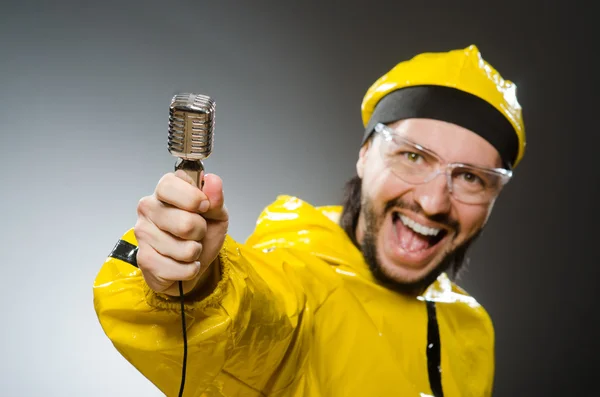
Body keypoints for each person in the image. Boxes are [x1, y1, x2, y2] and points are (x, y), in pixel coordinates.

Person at [93, 44, 526, 397]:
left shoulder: (473, 330)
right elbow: (253, 317)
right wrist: (195, 283)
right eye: (412, 156)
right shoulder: (302, 277)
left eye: (470, 177)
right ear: (364, 155)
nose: (433, 202)